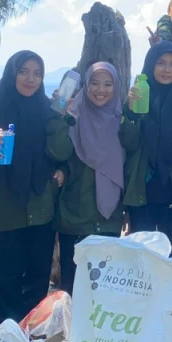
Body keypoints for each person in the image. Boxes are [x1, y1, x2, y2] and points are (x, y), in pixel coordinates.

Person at [0, 51, 65, 325]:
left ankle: (31, 339)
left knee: (38, 280)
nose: (30, 79)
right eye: (24, 71)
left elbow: (62, 152)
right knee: (5, 282)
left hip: (41, 209)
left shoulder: (49, 112)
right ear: (12, 73)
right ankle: (8, 338)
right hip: (7, 210)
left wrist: (58, 118)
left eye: (37, 73)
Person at [53, 62, 126, 290]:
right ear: (85, 85)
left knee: (103, 289)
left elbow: (131, 166)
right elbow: (58, 153)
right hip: (74, 215)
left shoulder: (122, 120)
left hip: (108, 218)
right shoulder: (72, 116)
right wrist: (59, 117)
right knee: (71, 288)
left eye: (107, 84)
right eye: (94, 83)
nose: (100, 90)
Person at [123, 41, 172, 257]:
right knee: (141, 255)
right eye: (161, 63)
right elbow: (129, 143)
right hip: (142, 189)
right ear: (150, 65)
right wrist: (130, 112)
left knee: (171, 256)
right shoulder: (139, 96)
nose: (167, 70)